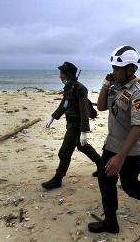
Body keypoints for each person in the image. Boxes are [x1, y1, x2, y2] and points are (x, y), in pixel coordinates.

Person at [88, 46, 140, 234]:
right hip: (112, 144)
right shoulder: (116, 87)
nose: (113, 71)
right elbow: (101, 107)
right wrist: (106, 85)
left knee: (129, 186)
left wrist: (120, 157)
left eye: (116, 69)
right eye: (112, 68)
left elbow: (138, 127)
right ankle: (111, 223)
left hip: (130, 151)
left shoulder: (139, 94)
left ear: (130, 69)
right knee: (105, 181)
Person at [41, 61, 101, 190]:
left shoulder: (80, 89)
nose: (59, 76)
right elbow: (64, 104)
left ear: (67, 74)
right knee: (83, 147)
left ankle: (58, 179)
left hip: (77, 125)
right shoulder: (69, 87)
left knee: (64, 152)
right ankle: (102, 166)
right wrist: (53, 117)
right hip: (71, 123)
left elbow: (84, 110)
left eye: (61, 73)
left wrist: (84, 131)